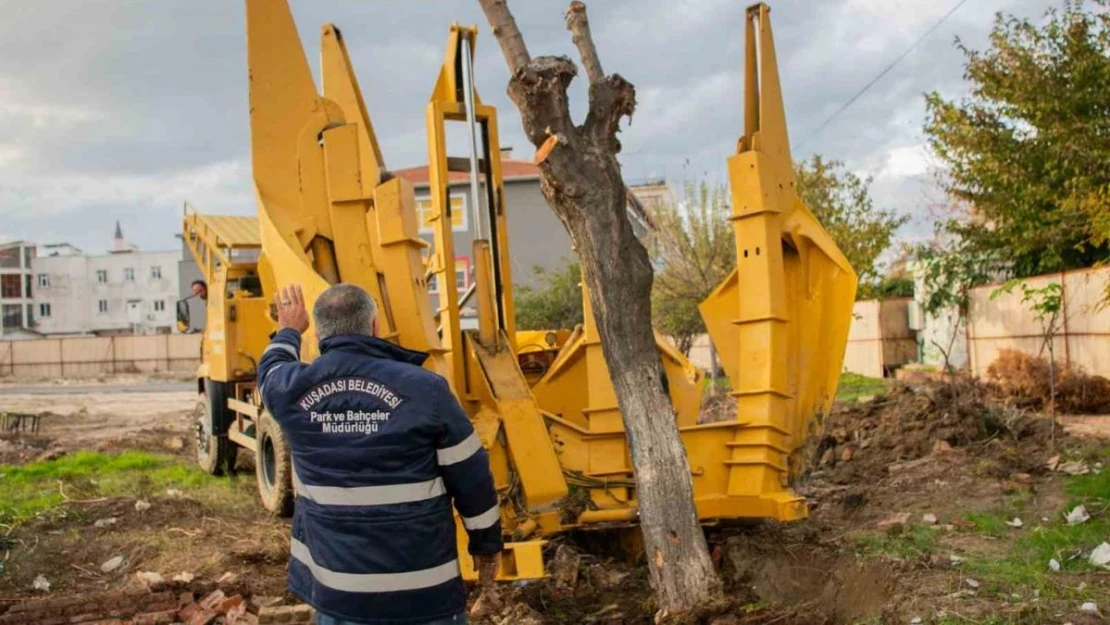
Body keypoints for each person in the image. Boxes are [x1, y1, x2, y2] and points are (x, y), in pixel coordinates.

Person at [257, 283, 502, 625]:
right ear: (374, 326)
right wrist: (486, 543)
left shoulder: (292, 390)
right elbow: (471, 474)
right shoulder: (427, 389)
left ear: (319, 332)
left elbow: (269, 371)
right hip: (425, 592)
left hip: (339, 594)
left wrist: (288, 329)